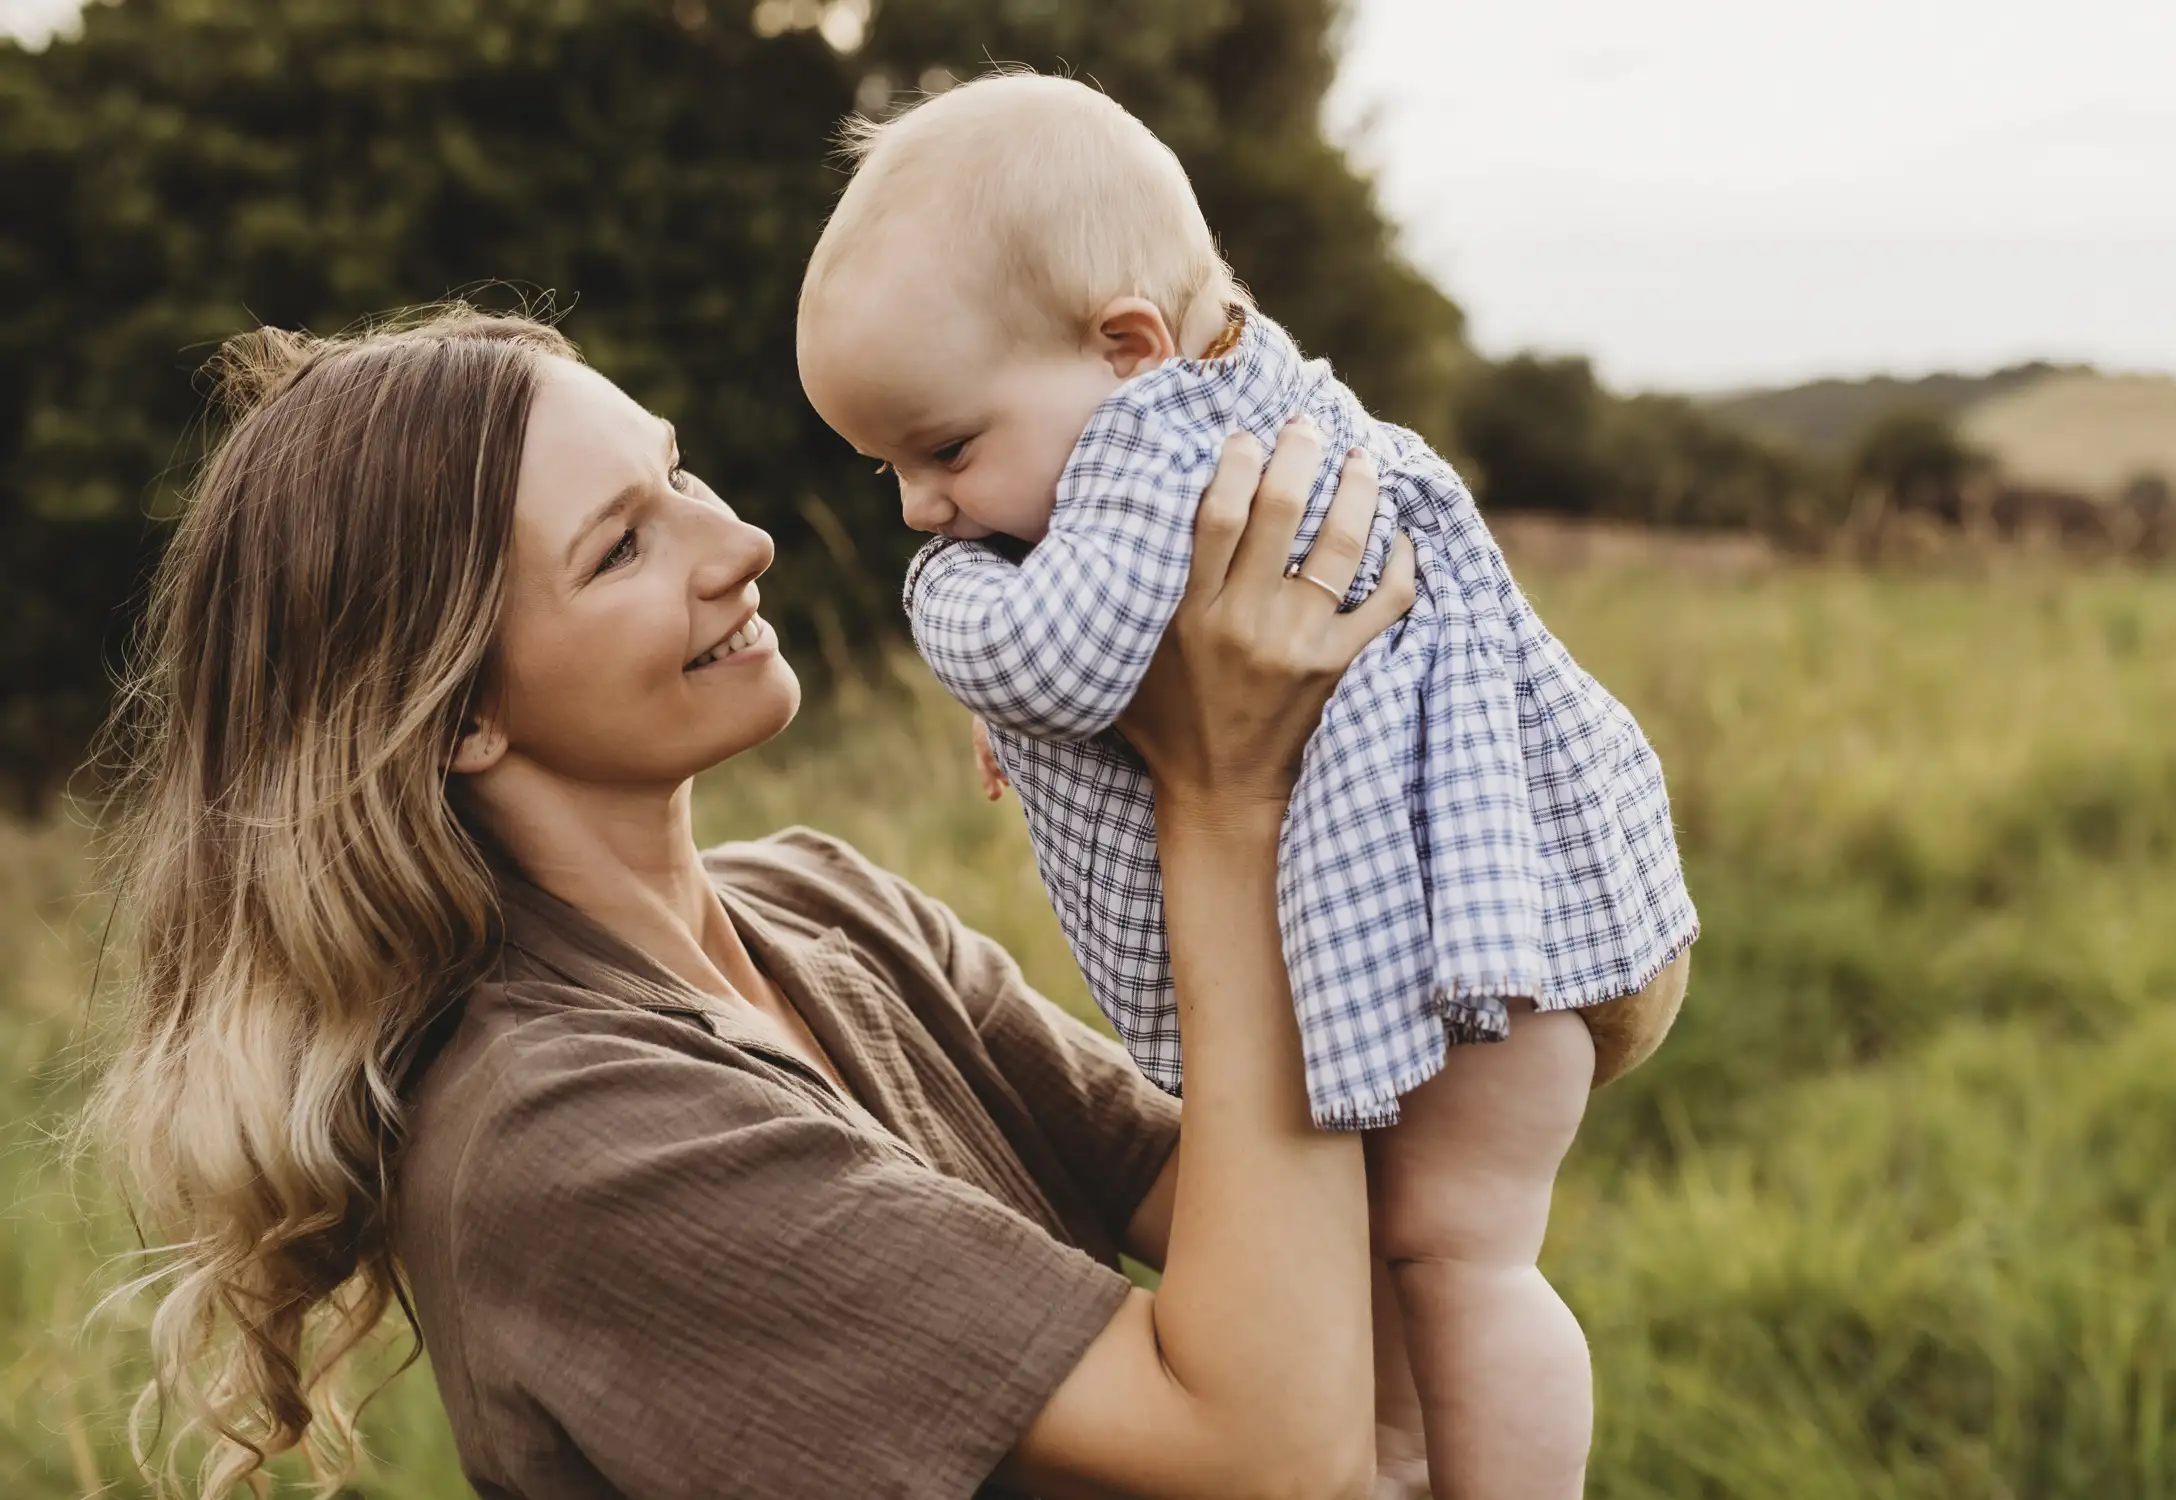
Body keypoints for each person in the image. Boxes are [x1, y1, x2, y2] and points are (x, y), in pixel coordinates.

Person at [84, 306, 1415, 1500]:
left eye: (675, 472)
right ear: (463, 713)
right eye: (620, 549)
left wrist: (1153, 707)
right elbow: (1267, 1450)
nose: (742, 541)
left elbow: (1316, 1220)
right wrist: (1226, 800)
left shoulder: (820, 906)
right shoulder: (565, 1138)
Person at [795, 73, 1698, 1499]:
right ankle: (1402, 1471)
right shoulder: (1198, 404)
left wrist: (961, 617)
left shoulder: (1166, 446)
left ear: (1128, 344)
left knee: (1457, 1256)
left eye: (945, 451)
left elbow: (1052, 656)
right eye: (893, 471)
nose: (920, 509)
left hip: (1485, 960)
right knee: (1390, 1261)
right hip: (1458, 938)